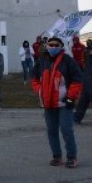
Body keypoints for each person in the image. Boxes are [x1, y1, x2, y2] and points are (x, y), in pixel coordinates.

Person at [31, 36, 83, 168]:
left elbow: (77, 80)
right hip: (48, 103)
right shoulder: (42, 60)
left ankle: (72, 157)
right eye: (51, 45)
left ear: (61, 47)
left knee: (66, 129)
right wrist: (39, 92)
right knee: (52, 131)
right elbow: (34, 78)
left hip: (64, 103)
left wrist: (71, 97)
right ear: (47, 46)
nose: (53, 47)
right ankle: (57, 156)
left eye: (56, 45)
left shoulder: (68, 61)